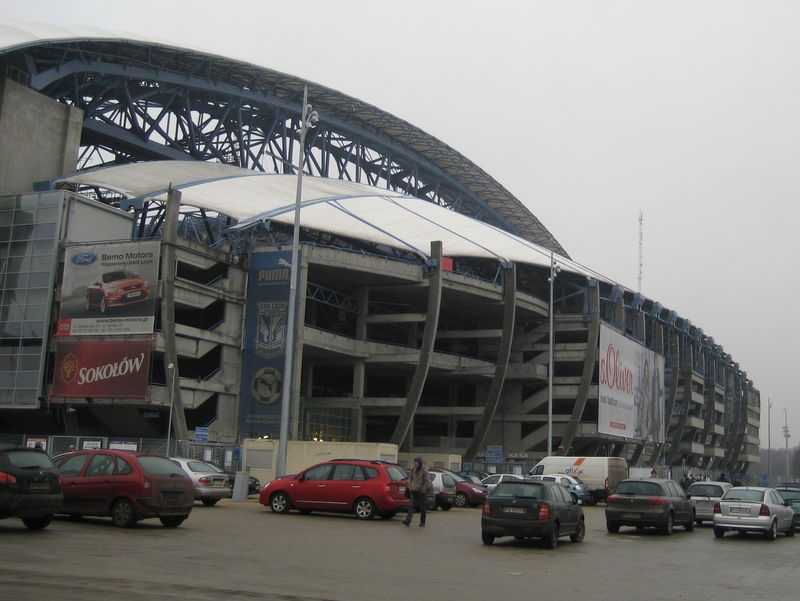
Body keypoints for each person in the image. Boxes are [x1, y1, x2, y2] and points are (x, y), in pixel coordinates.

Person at [402, 456, 430, 527]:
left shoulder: (424, 470)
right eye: (415, 462)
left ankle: (422, 521)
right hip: (413, 491)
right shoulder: (413, 469)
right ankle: (408, 520)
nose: (416, 464)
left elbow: (426, 481)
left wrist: (423, 490)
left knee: (422, 507)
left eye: (417, 462)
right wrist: (410, 487)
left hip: (421, 492)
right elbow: (410, 478)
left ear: (420, 462)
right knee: (411, 506)